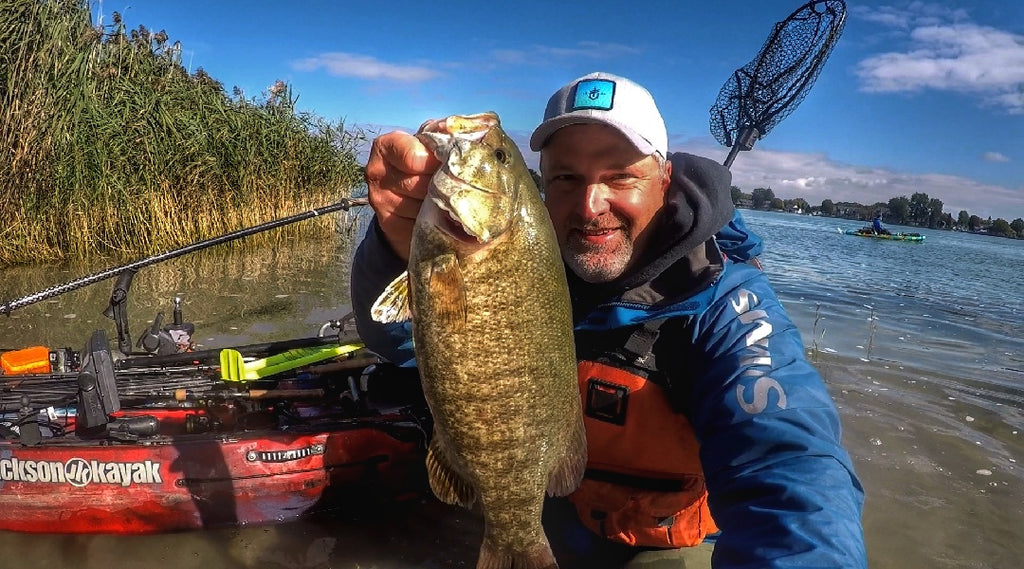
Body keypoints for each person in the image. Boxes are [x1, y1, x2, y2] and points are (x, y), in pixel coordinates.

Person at [350, 71, 866, 568]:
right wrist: (398, 250)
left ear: (664, 179)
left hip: (649, 540)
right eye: (566, 178)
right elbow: (401, 345)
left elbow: (790, 468)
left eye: (620, 175)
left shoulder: (725, 307)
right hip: (535, 503)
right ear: (543, 183)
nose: (591, 205)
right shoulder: (519, 258)